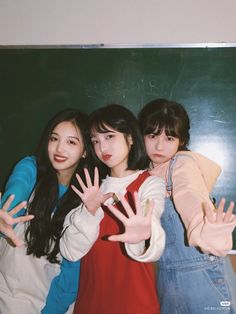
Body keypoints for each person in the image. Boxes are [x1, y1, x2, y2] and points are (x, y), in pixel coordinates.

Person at [60, 104, 166, 314]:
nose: (102, 147)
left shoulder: (150, 184)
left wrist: (143, 235)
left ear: (130, 137)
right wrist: (89, 212)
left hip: (135, 302)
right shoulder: (90, 188)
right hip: (91, 301)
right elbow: (70, 252)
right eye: (95, 141)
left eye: (109, 137)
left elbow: (153, 238)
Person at [138, 98, 236, 314]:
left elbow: (189, 194)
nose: (159, 145)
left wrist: (202, 229)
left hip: (203, 277)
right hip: (167, 278)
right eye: (152, 135)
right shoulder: (145, 175)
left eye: (169, 137)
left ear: (181, 141)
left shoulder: (182, 164)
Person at [0, 108, 92, 314]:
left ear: (85, 150)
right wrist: (6, 210)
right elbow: (17, 187)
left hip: (44, 302)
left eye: (71, 142)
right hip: (4, 291)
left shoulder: (87, 200)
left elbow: (71, 275)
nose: (59, 148)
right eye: (54, 138)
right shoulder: (31, 167)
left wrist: (51, 311)